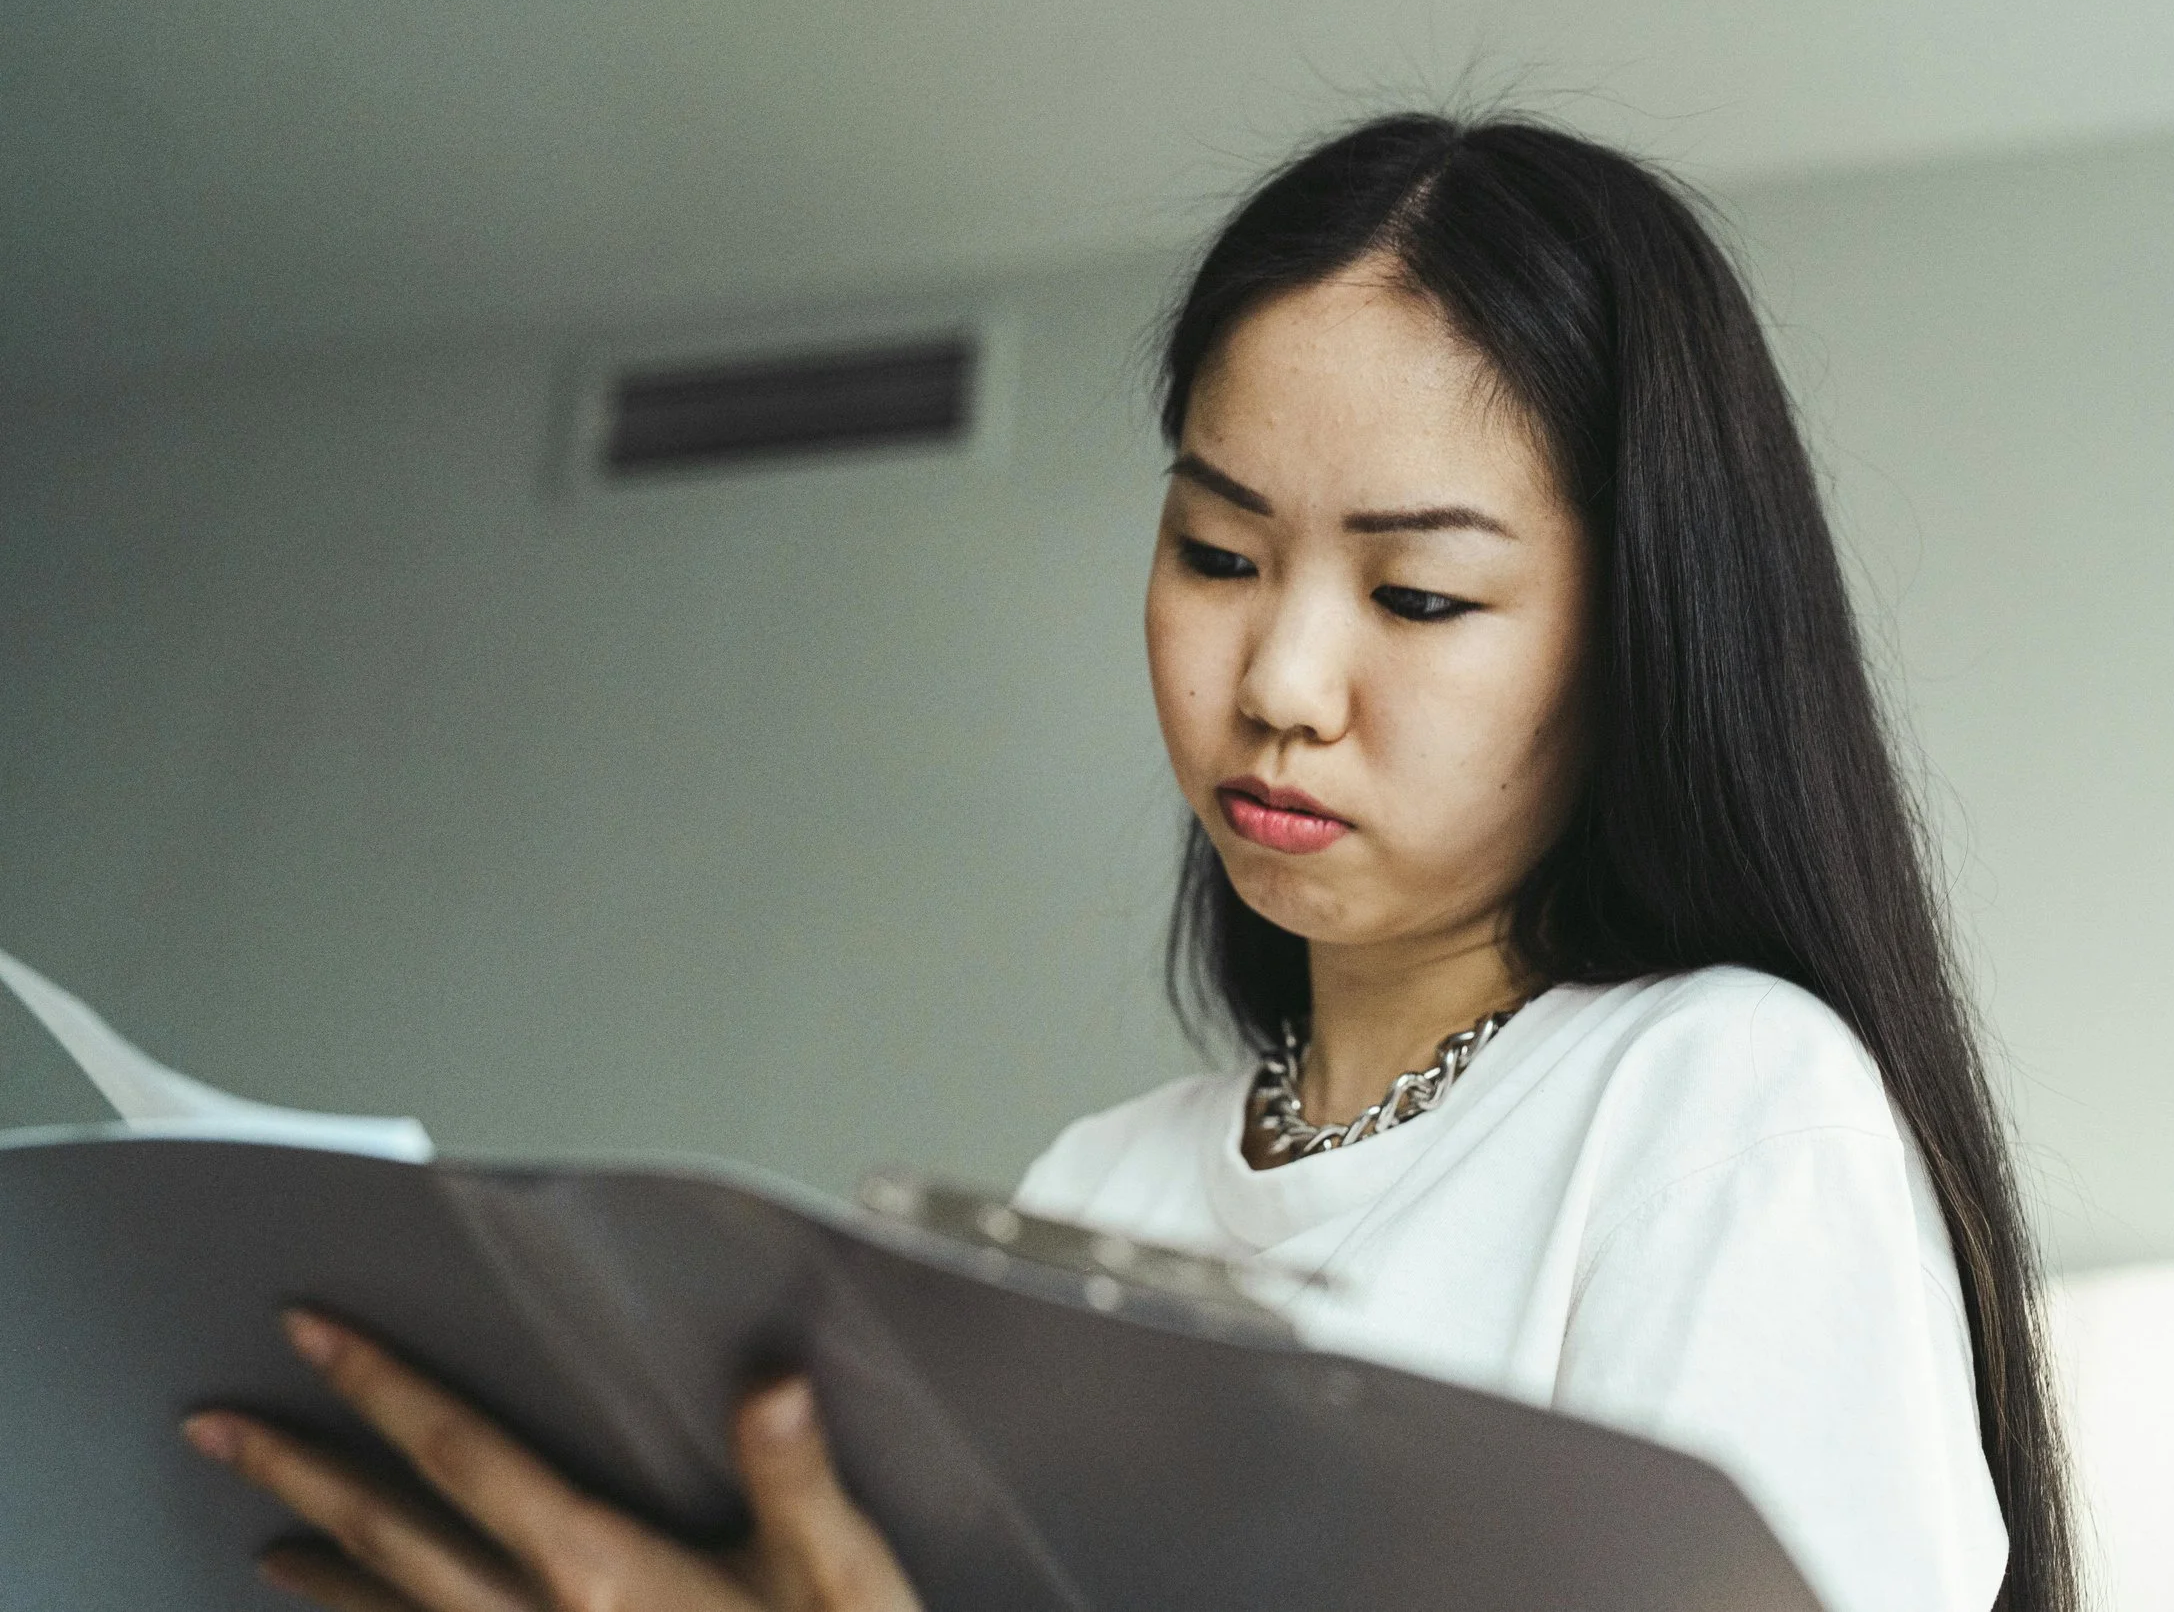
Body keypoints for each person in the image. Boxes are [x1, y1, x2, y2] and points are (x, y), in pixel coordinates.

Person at [181, 112, 2077, 1612]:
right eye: (1218, 554)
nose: (1280, 683)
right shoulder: (1105, 1181)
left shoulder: (1721, 1105)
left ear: (1646, 632)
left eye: (1419, 594)